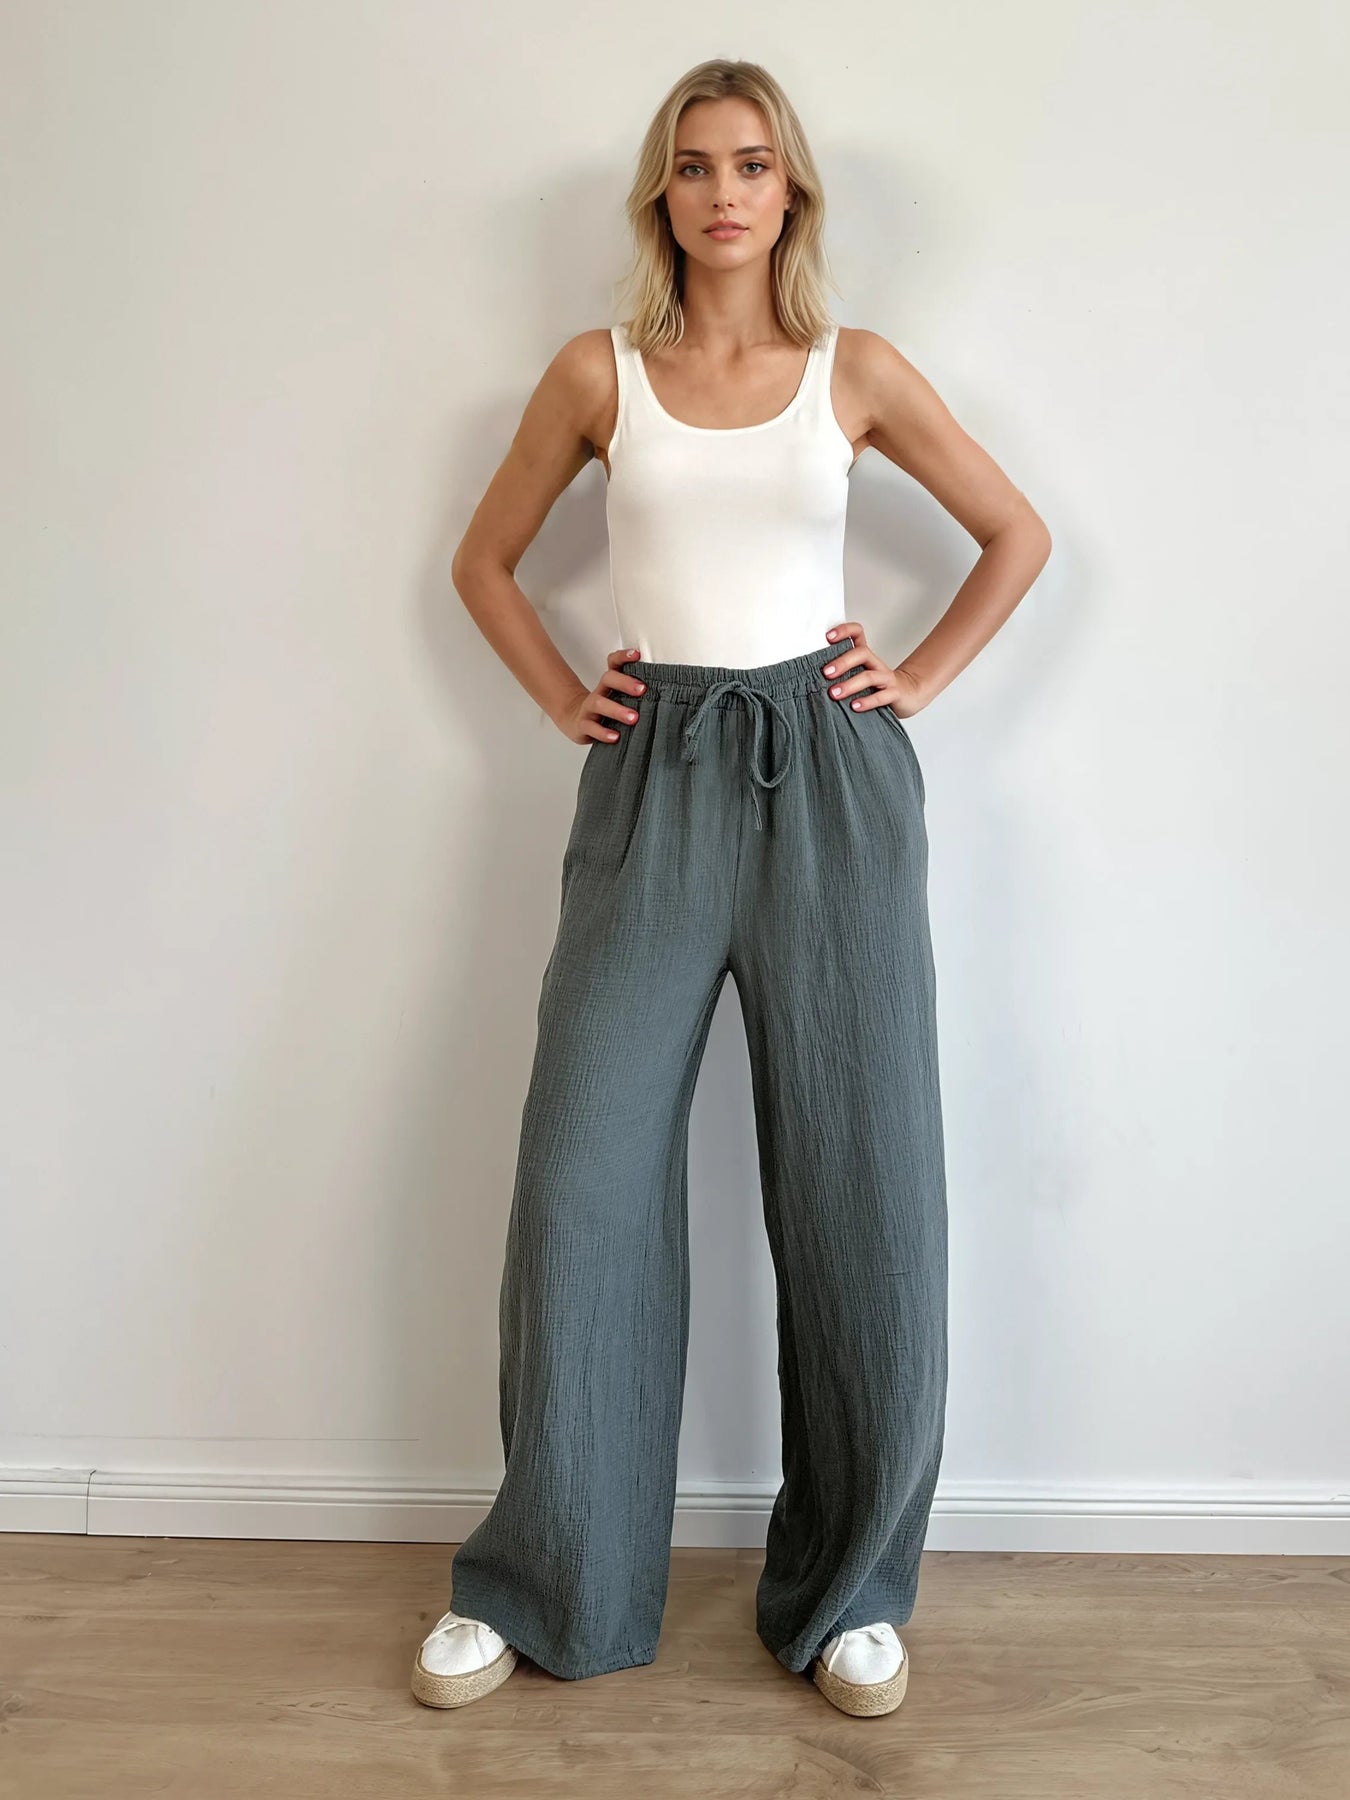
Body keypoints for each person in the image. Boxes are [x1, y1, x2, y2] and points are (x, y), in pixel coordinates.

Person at [411, 57, 1051, 1719]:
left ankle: (851, 1595)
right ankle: (543, 1580)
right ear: (661, 194)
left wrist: (912, 678)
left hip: (830, 776)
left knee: (862, 1180)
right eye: (694, 166)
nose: (722, 192)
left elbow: (1016, 535)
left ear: (790, 192)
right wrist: (565, 698)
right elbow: (481, 562)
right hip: (653, 774)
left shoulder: (855, 371)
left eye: (751, 164)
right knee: (580, 1179)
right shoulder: (596, 373)